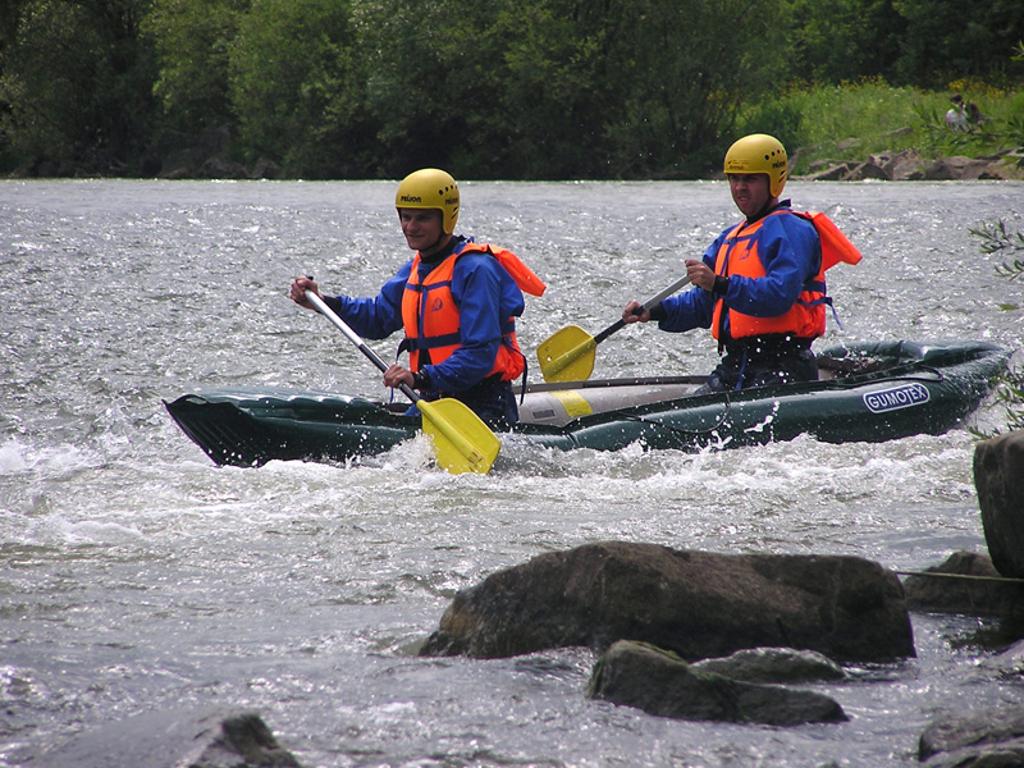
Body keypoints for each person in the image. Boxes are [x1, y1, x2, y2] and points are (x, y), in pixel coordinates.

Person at [290, 168, 545, 429]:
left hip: (483, 404)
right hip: (432, 399)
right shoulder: (417, 269)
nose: (410, 227)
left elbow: (480, 355)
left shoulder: (476, 270)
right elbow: (378, 318)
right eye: (405, 217)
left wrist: (418, 377)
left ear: (447, 218)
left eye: (422, 218)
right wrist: (323, 303)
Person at [621, 133, 861, 393]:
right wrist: (654, 311)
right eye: (734, 179)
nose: (740, 187)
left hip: (784, 367)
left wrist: (720, 284)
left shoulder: (791, 230)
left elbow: (779, 295)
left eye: (750, 179)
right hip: (736, 366)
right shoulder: (728, 239)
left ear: (774, 181)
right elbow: (703, 305)